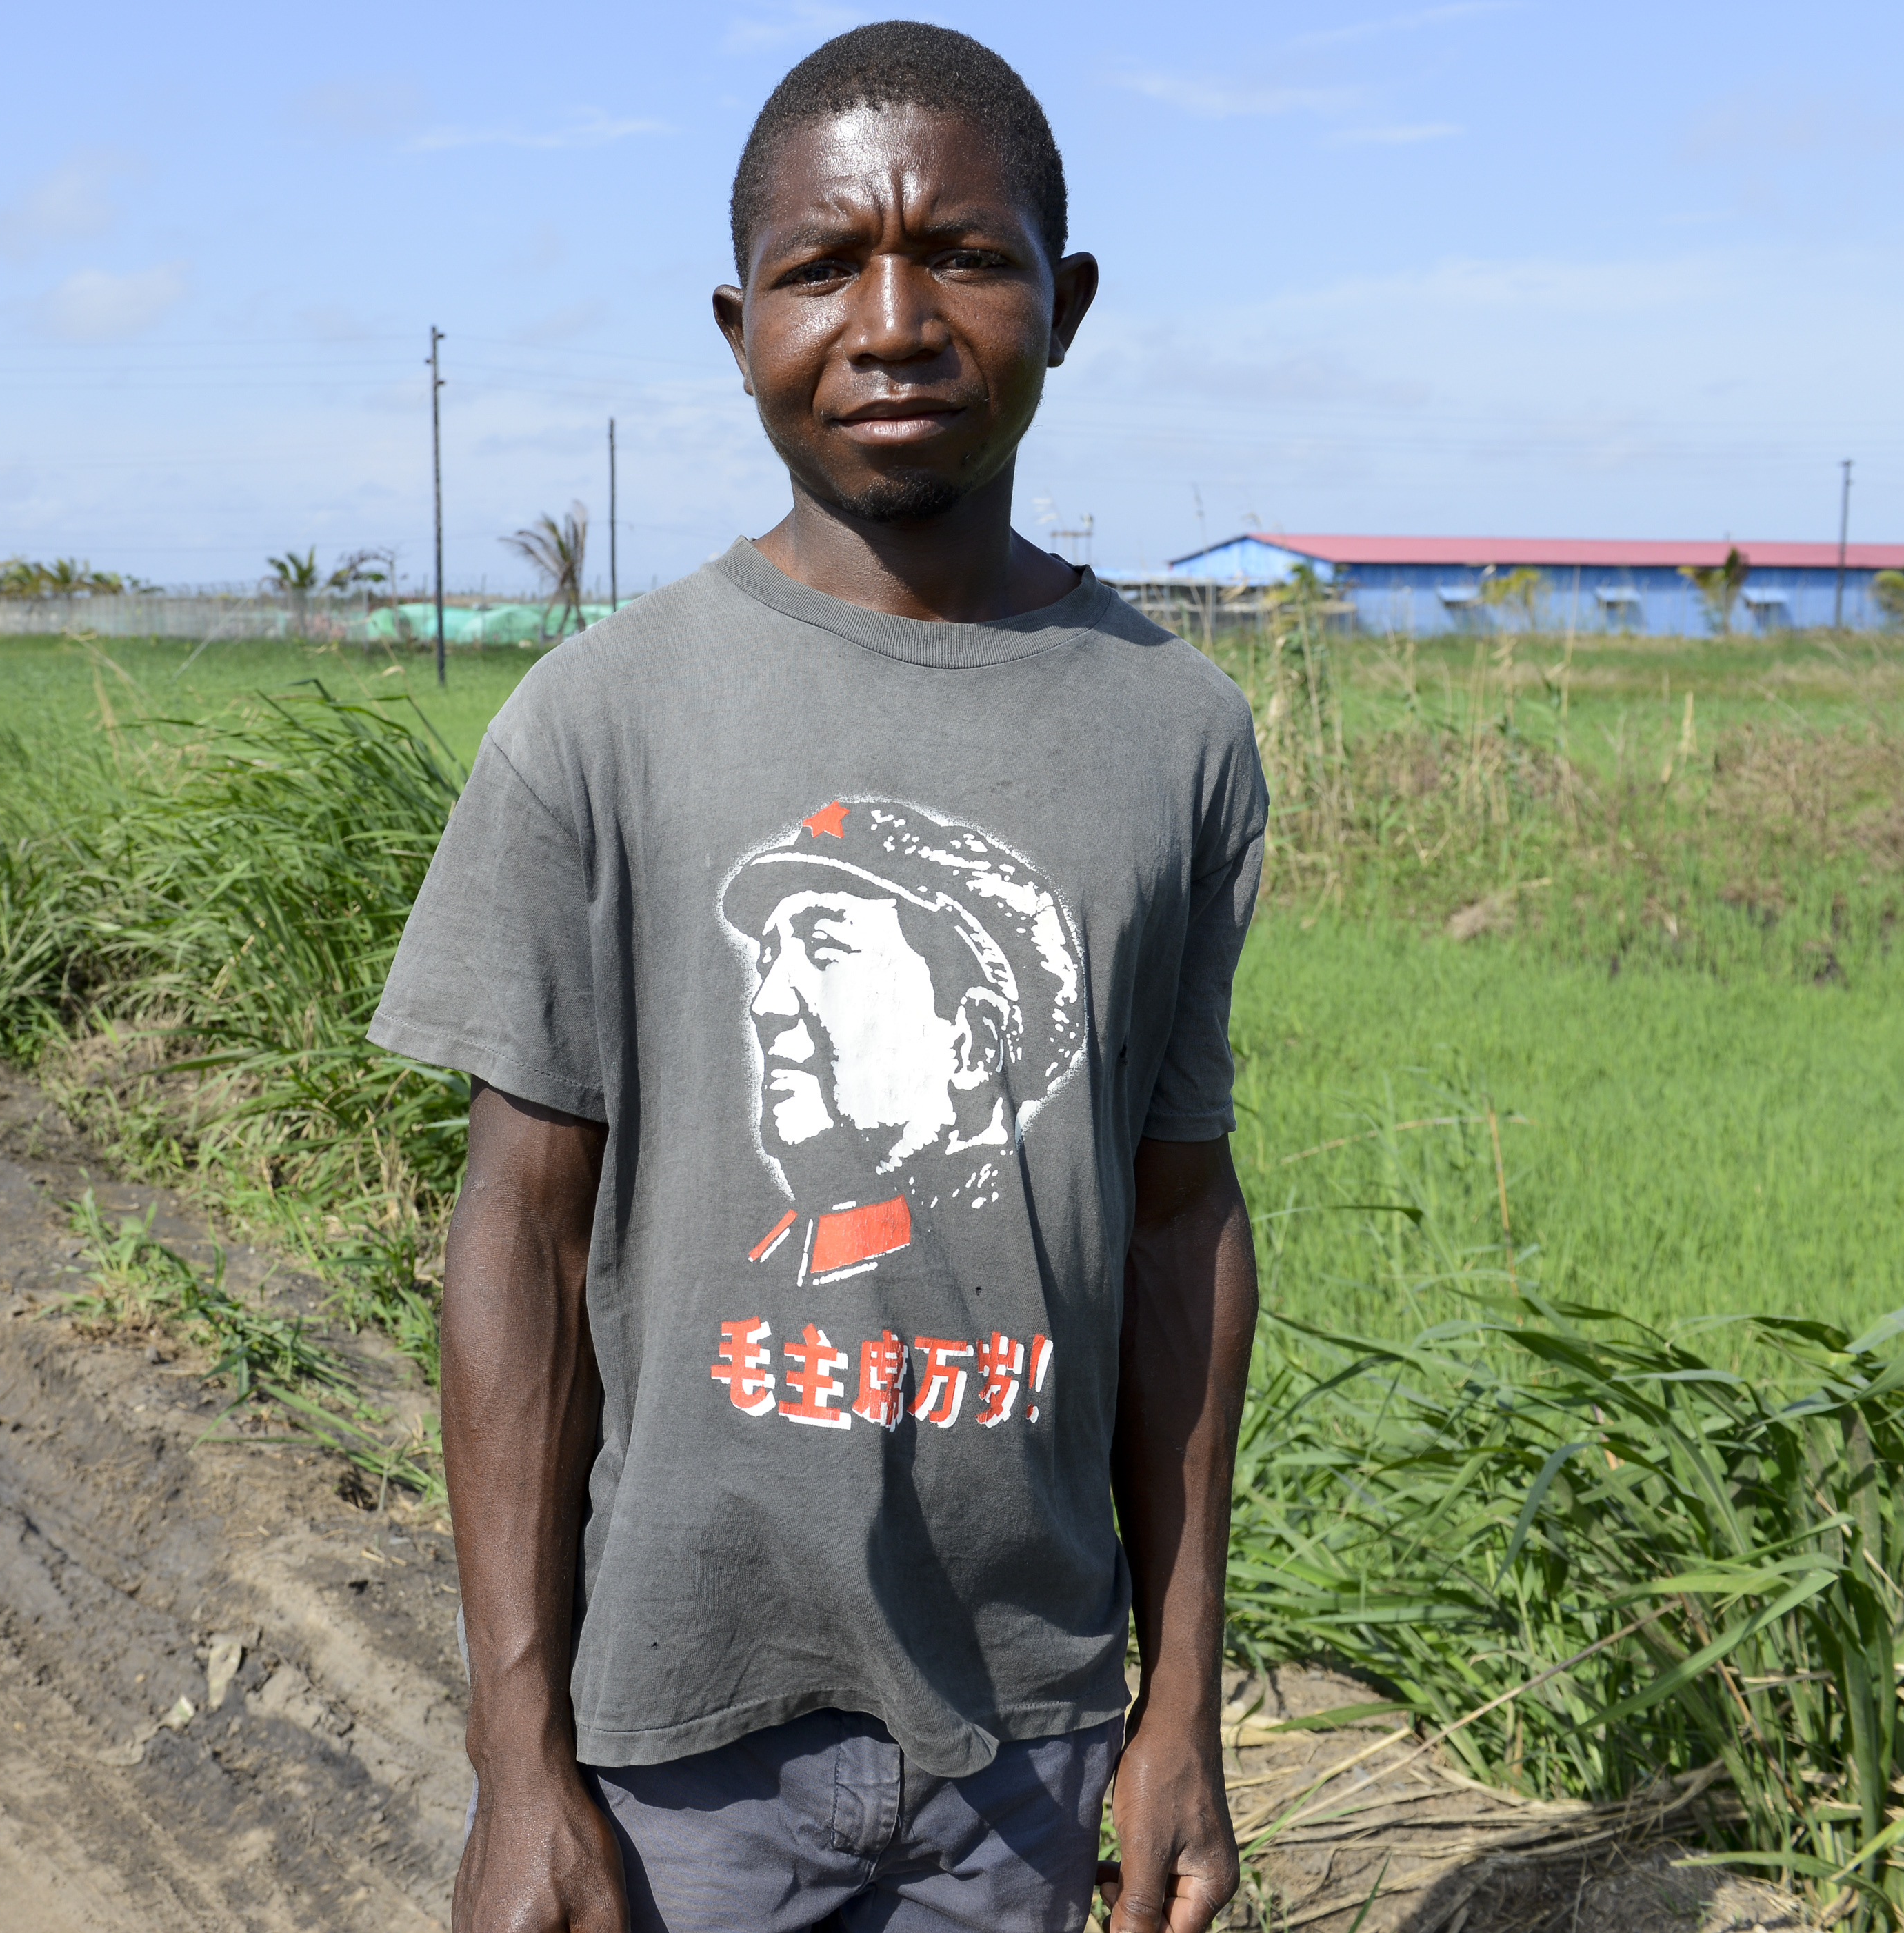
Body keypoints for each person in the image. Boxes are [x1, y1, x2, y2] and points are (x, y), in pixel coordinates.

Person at [368, 21, 1267, 1933]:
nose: (890, 320)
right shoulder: (596, 725)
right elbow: (521, 1238)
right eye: (819, 267)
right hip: (681, 1747)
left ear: (1063, 300)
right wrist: (517, 1760)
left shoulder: (1171, 735)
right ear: (737, 321)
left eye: (959, 253)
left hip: (1022, 1744)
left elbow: (1179, 1221)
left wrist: (1176, 1703)